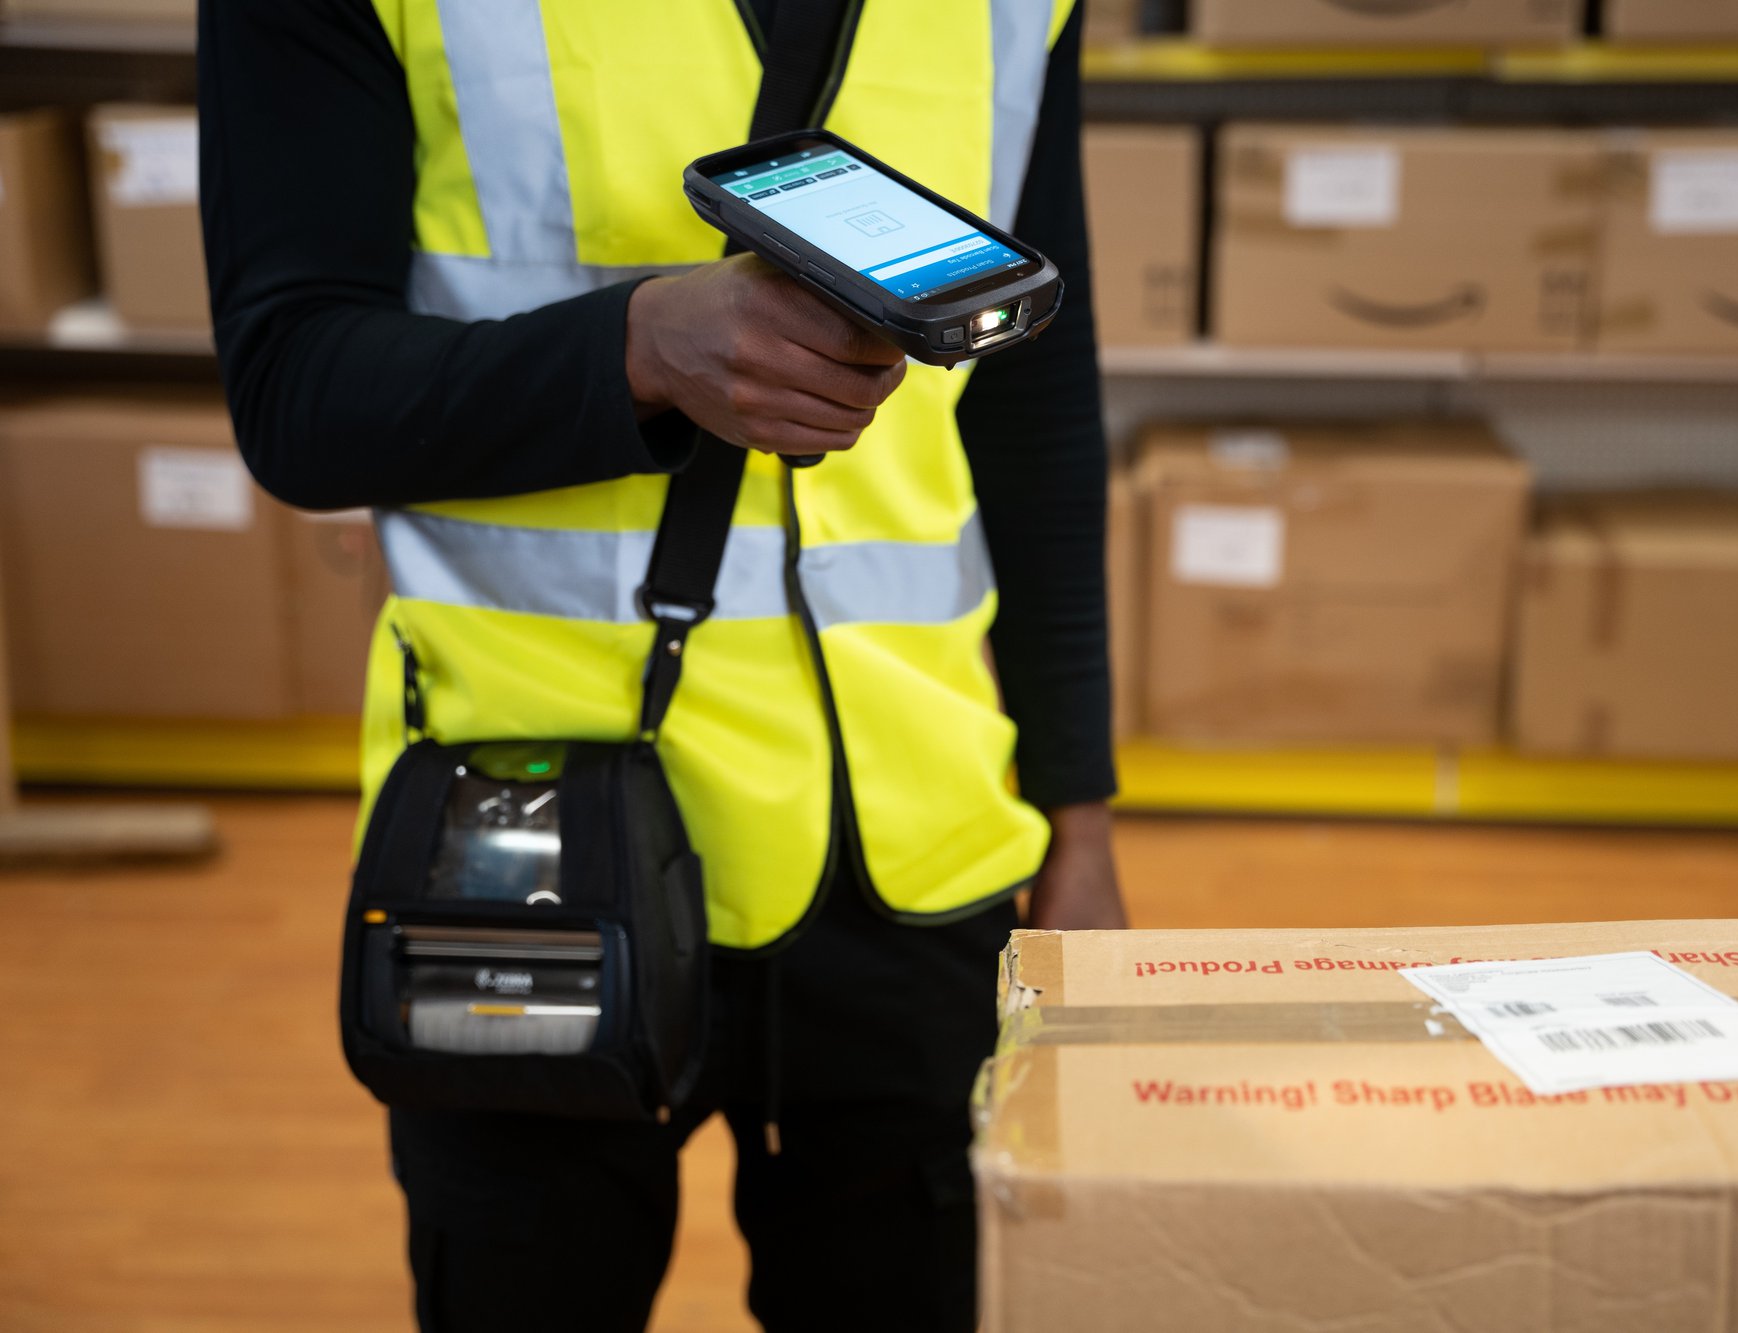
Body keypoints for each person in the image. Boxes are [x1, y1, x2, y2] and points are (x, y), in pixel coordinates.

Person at [199, 0, 1123, 1328]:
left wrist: (1080, 818)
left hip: (917, 841)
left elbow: (1035, 394)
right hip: (532, 841)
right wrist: (632, 350)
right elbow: (295, 387)